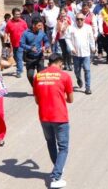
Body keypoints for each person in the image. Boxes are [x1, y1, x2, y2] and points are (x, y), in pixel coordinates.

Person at [33, 53, 73, 189]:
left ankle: (58, 168)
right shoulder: (65, 76)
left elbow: (37, 100)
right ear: (60, 62)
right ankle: (56, 177)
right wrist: (63, 97)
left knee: (51, 143)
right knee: (63, 147)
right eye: (62, 64)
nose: (62, 66)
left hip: (44, 117)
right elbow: (70, 99)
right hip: (60, 117)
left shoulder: (38, 76)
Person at [66, 13, 95, 94]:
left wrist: (93, 47)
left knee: (87, 70)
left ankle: (88, 87)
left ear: (84, 20)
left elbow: (91, 38)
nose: (79, 21)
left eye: (81, 19)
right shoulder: (71, 28)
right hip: (76, 54)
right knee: (77, 70)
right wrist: (71, 48)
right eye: (78, 19)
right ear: (75, 20)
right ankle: (79, 78)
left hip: (86, 53)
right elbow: (67, 39)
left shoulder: (88, 28)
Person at [20, 18, 50, 86]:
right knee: (30, 75)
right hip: (29, 58)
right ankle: (34, 86)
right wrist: (30, 48)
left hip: (40, 57)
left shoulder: (42, 33)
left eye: (41, 25)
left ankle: (41, 89)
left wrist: (45, 46)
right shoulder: (26, 33)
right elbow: (21, 44)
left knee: (41, 76)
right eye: (39, 26)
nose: (41, 27)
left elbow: (47, 41)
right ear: (34, 25)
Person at [5, 8, 28, 78]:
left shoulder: (23, 22)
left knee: (19, 57)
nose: (18, 16)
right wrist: (6, 41)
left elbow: (27, 32)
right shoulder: (9, 23)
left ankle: (19, 71)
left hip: (21, 43)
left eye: (19, 14)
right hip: (14, 43)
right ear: (13, 15)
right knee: (15, 57)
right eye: (16, 14)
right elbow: (6, 32)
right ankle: (20, 67)